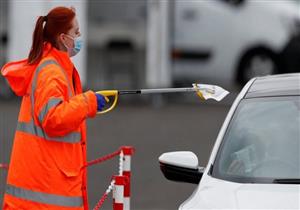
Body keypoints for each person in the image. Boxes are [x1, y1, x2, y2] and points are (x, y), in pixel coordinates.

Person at [1, 6, 106, 210]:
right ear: (63, 38)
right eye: (76, 32)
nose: (79, 36)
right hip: (45, 192)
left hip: (43, 186)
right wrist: (88, 102)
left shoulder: (55, 68)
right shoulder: (52, 73)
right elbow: (53, 119)